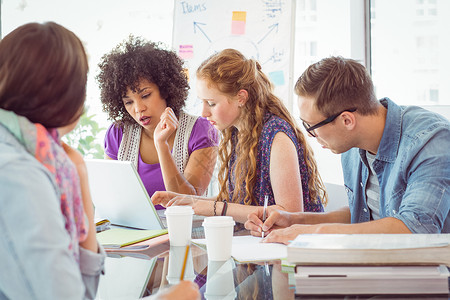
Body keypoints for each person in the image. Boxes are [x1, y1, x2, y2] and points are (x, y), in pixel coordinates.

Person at [0, 22, 200, 300]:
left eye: (144, 96)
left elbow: (82, 290)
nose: (138, 108)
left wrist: (80, 174)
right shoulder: (19, 174)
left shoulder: (38, 155)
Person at [245, 56, 450, 243]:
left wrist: (310, 233)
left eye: (312, 126)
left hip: (428, 277)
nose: (309, 135)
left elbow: (414, 229)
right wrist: (296, 220)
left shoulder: (431, 141)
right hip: (374, 265)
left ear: (346, 120)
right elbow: (362, 214)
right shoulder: (352, 143)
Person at [152, 49, 327, 224]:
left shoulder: (277, 135)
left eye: (211, 103)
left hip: (296, 246)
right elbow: (238, 203)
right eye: (202, 102)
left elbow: (291, 213)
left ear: (241, 98)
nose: (204, 113)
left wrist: (214, 208)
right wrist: (190, 202)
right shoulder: (236, 132)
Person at [97, 36, 218, 205]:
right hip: (136, 230)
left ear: (166, 90)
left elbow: (188, 202)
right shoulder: (118, 134)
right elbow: (113, 197)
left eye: (145, 95)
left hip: (183, 228)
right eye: (128, 102)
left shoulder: (201, 131)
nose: (138, 108)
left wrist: (161, 145)